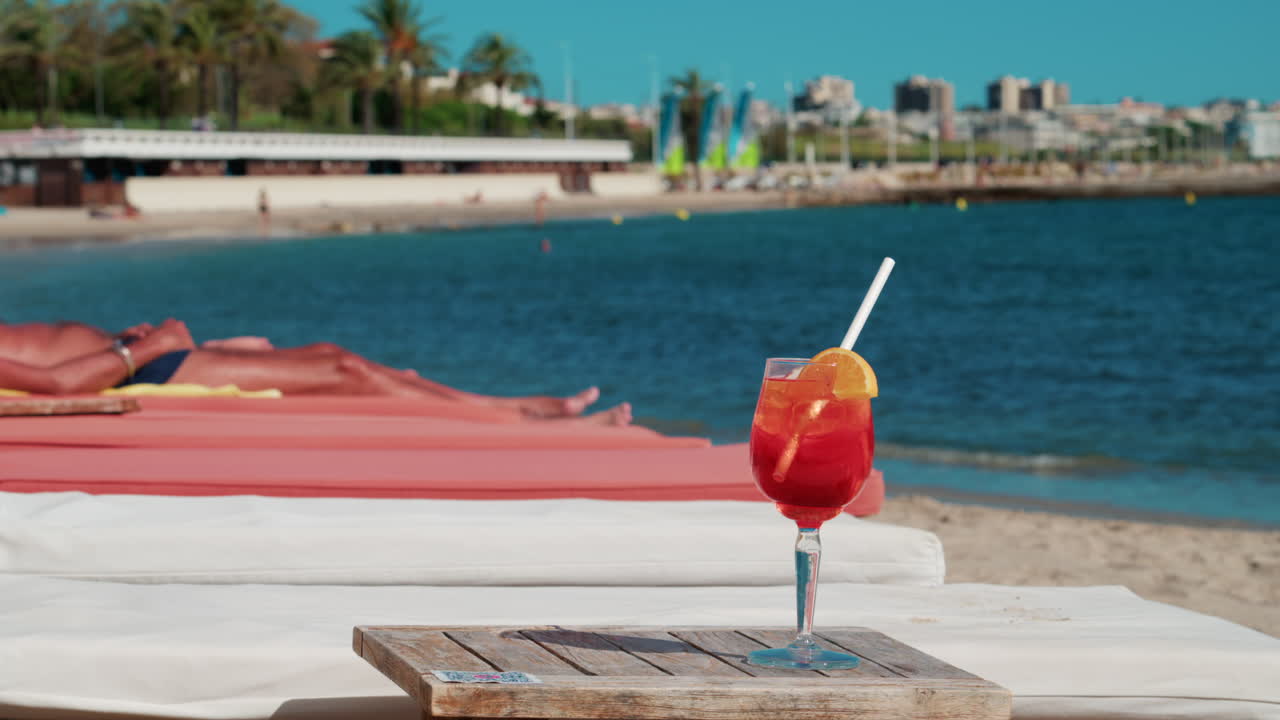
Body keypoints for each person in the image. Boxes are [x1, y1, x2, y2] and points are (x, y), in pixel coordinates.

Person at [0, 319, 630, 426]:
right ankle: (518, 417)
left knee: (332, 353)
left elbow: (52, 354)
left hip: (133, 354)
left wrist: (125, 338)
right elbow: (55, 386)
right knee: (345, 369)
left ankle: (506, 405)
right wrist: (148, 346)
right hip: (141, 371)